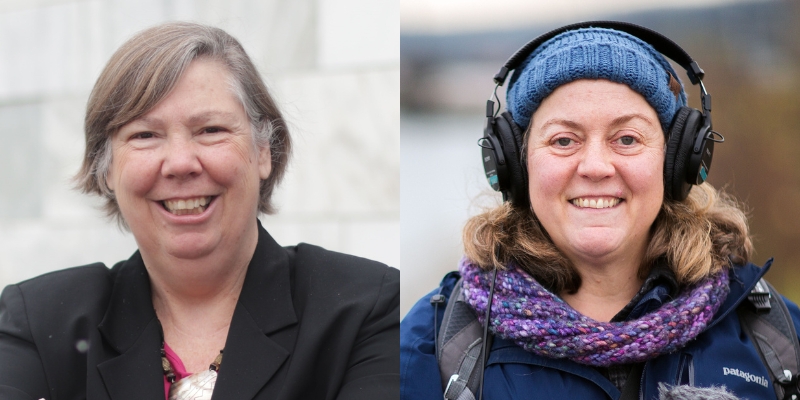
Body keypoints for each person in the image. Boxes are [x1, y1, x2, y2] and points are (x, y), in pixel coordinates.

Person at [400, 22, 800, 400]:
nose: (595, 167)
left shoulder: (775, 337)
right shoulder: (430, 345)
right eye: (563, 140)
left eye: (626, 138)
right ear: (515, 165)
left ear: (677, 160)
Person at [0, 22, 399, 400]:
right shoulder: (38, 322)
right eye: (144, 135)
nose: (180, 162)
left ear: (264, 151)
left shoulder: (364, 310)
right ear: (105, 169)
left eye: (211, 130)